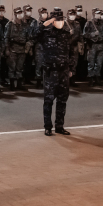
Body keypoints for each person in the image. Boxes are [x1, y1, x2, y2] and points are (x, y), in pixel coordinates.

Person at [35, 8, 72, 136]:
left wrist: (71, 68)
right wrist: (44, 24)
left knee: (62, 100)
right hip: (51, 71)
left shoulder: (66, 34)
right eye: (57, 20)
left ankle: (59, 126)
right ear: (52, 21)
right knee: (49, 100)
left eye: (61, 20)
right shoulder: (46, 33)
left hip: (64, 71)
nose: (60, 22)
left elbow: (70, 52)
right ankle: (48, 126)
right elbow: (33, 35)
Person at [4, 7, 30, 91]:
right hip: (12, 49)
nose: (20, 14)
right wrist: (7, 49)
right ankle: (12, 85)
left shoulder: (25, 25)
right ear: (15, 14)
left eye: (21, 13)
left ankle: (19, 84)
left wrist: (28, 46)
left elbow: (28, 37)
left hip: (22, 50)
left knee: (20, 68)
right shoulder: (10, 24)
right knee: (12, 68)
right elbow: (6, 38)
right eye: (18, 13)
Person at [83, 9, 103, 85]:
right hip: (92, 45)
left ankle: (97, 77)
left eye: (99, 14)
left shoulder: (102, 22)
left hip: (100, 45)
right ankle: (90, 78)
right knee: (91, 63)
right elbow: (85, 34)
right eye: (97, 14)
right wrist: (93, 34)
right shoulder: (89, 23)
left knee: (99, 63)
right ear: (93, 14)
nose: (98, 15)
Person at [66, 8, 82, 86]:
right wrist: (68, 34)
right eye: (70, 14)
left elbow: (80, 35)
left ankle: (72, 80)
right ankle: (66, 80)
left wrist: (81, 45)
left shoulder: (77, 24)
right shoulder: (64, 23)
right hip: (66, 47)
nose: (72, 16)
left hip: (74, 46)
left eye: (73, 14)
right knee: (66, 63)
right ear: (67, 15)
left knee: (74, 63)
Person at [0, 5, 10, 86]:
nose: (1, 12)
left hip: (4, 44)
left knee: (4, 63)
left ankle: (2, 79)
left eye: (2, 10)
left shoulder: (7, 21)